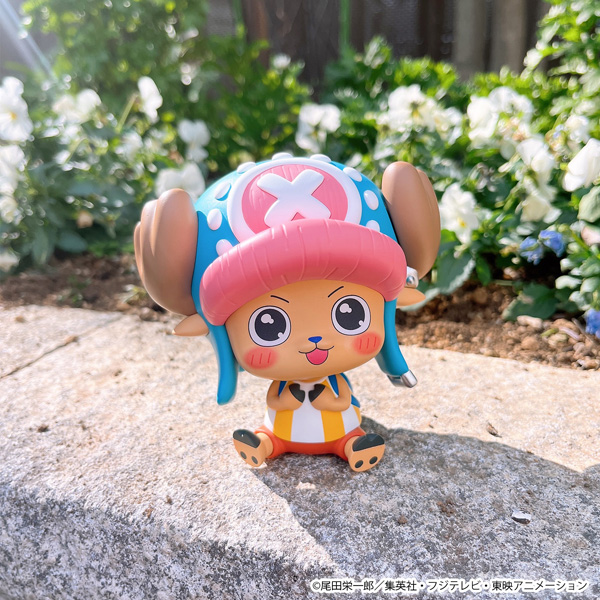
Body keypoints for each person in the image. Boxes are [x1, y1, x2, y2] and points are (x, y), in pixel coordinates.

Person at [134, 153, 440, 471]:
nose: (315, 338)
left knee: (346, 432)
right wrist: (288, 400)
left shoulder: (331, 383)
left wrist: (328, 400)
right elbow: (276, 400)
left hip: (339, 428)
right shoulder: (284, 385)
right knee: (272, 432)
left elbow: (341, 400)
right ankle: (266, 443)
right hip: (283, 429)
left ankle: (351, 445)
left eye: (349, 314)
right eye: (269, 325)